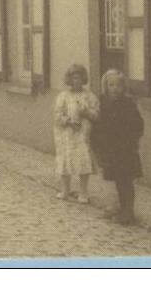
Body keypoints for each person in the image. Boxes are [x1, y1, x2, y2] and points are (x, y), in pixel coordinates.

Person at [92, 69, 144, 225]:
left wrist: (131, 139)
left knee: (125, 181)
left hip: (125, 149)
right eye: (111, 85)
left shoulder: (128, 104)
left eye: (118, 85)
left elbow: (138, 125)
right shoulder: (102, 103)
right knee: (116, 180)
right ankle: (119, 208)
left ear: (124, 87)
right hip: (109, 149)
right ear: (105, 86)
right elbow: (97, 124)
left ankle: (128, 211)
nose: (114, 89)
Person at [52, 64, 99, 204]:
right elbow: (57, 114)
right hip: (67, 133)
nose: (76, 81)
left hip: (82, 134)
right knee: (65, 160)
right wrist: (67, 121)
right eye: (73, 78)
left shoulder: (89, 96)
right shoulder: (63, 96)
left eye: (78, 78)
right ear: (69, 80)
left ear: (83, 79)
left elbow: (96, 114)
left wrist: (86, 113)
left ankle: (83, 192)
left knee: (83, 160)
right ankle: (65, 190)